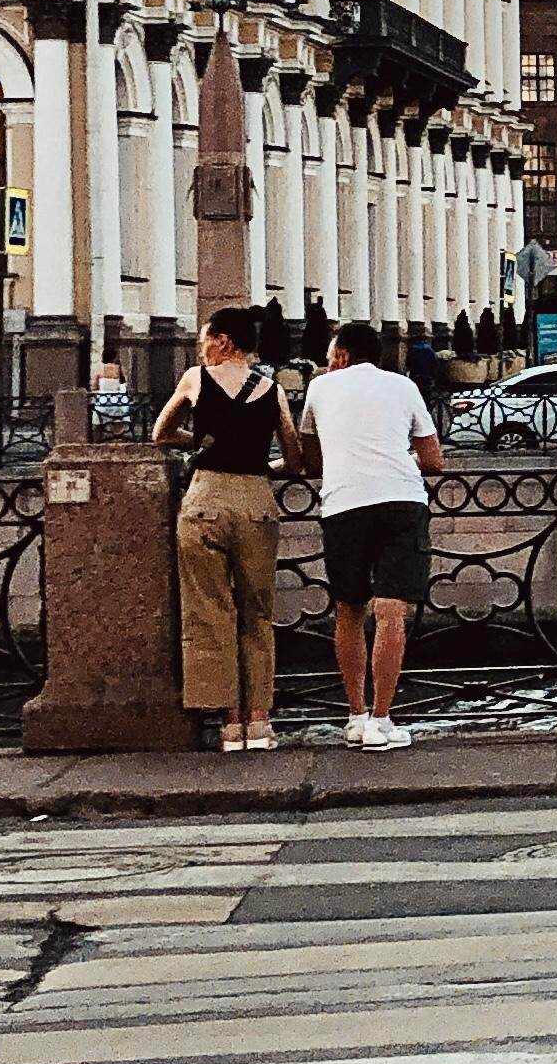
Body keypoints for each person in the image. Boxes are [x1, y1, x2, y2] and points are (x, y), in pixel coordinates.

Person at [152, 309, 300, 753]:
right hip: (256, 501)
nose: (202, 347)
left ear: (224, 341)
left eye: (205, 339)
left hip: (205, 502)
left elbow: (162, 432)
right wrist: (260, 467)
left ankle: (229, 723)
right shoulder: (272, 390)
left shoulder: (196, 379)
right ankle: (260, 724)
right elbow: (294, 459)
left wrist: (196, 444)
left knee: (210, 611)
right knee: (257, 612)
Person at [299, 319, 442, 754]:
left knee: (348, 610)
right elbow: (433, 458)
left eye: (329, 356)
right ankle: (383, 720)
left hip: (343, 504)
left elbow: (309, 456)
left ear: (340, 356)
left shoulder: (319, 390)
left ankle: (355, 715)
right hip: (401, 501)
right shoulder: (403, 387)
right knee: (391, 612)